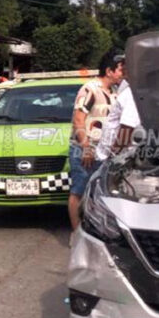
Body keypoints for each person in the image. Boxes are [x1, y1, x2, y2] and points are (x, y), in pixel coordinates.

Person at [68, 57, 125, 231]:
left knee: (101, 192)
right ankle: (77, 233)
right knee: (79, 191)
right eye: (121, 70)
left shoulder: (115, 92)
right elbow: (78, 120)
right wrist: (86, 147)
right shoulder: (90, 89)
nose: (123, 74)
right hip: (85, 150)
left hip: (103, 151)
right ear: (109, 71)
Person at [96, 55, 140, 162]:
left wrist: (113, 156)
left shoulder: (132, 93)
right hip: (115, 156)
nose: (121, 66)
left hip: (118, 158)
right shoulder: (128, 88)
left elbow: (127, 128)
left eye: (125, 63)